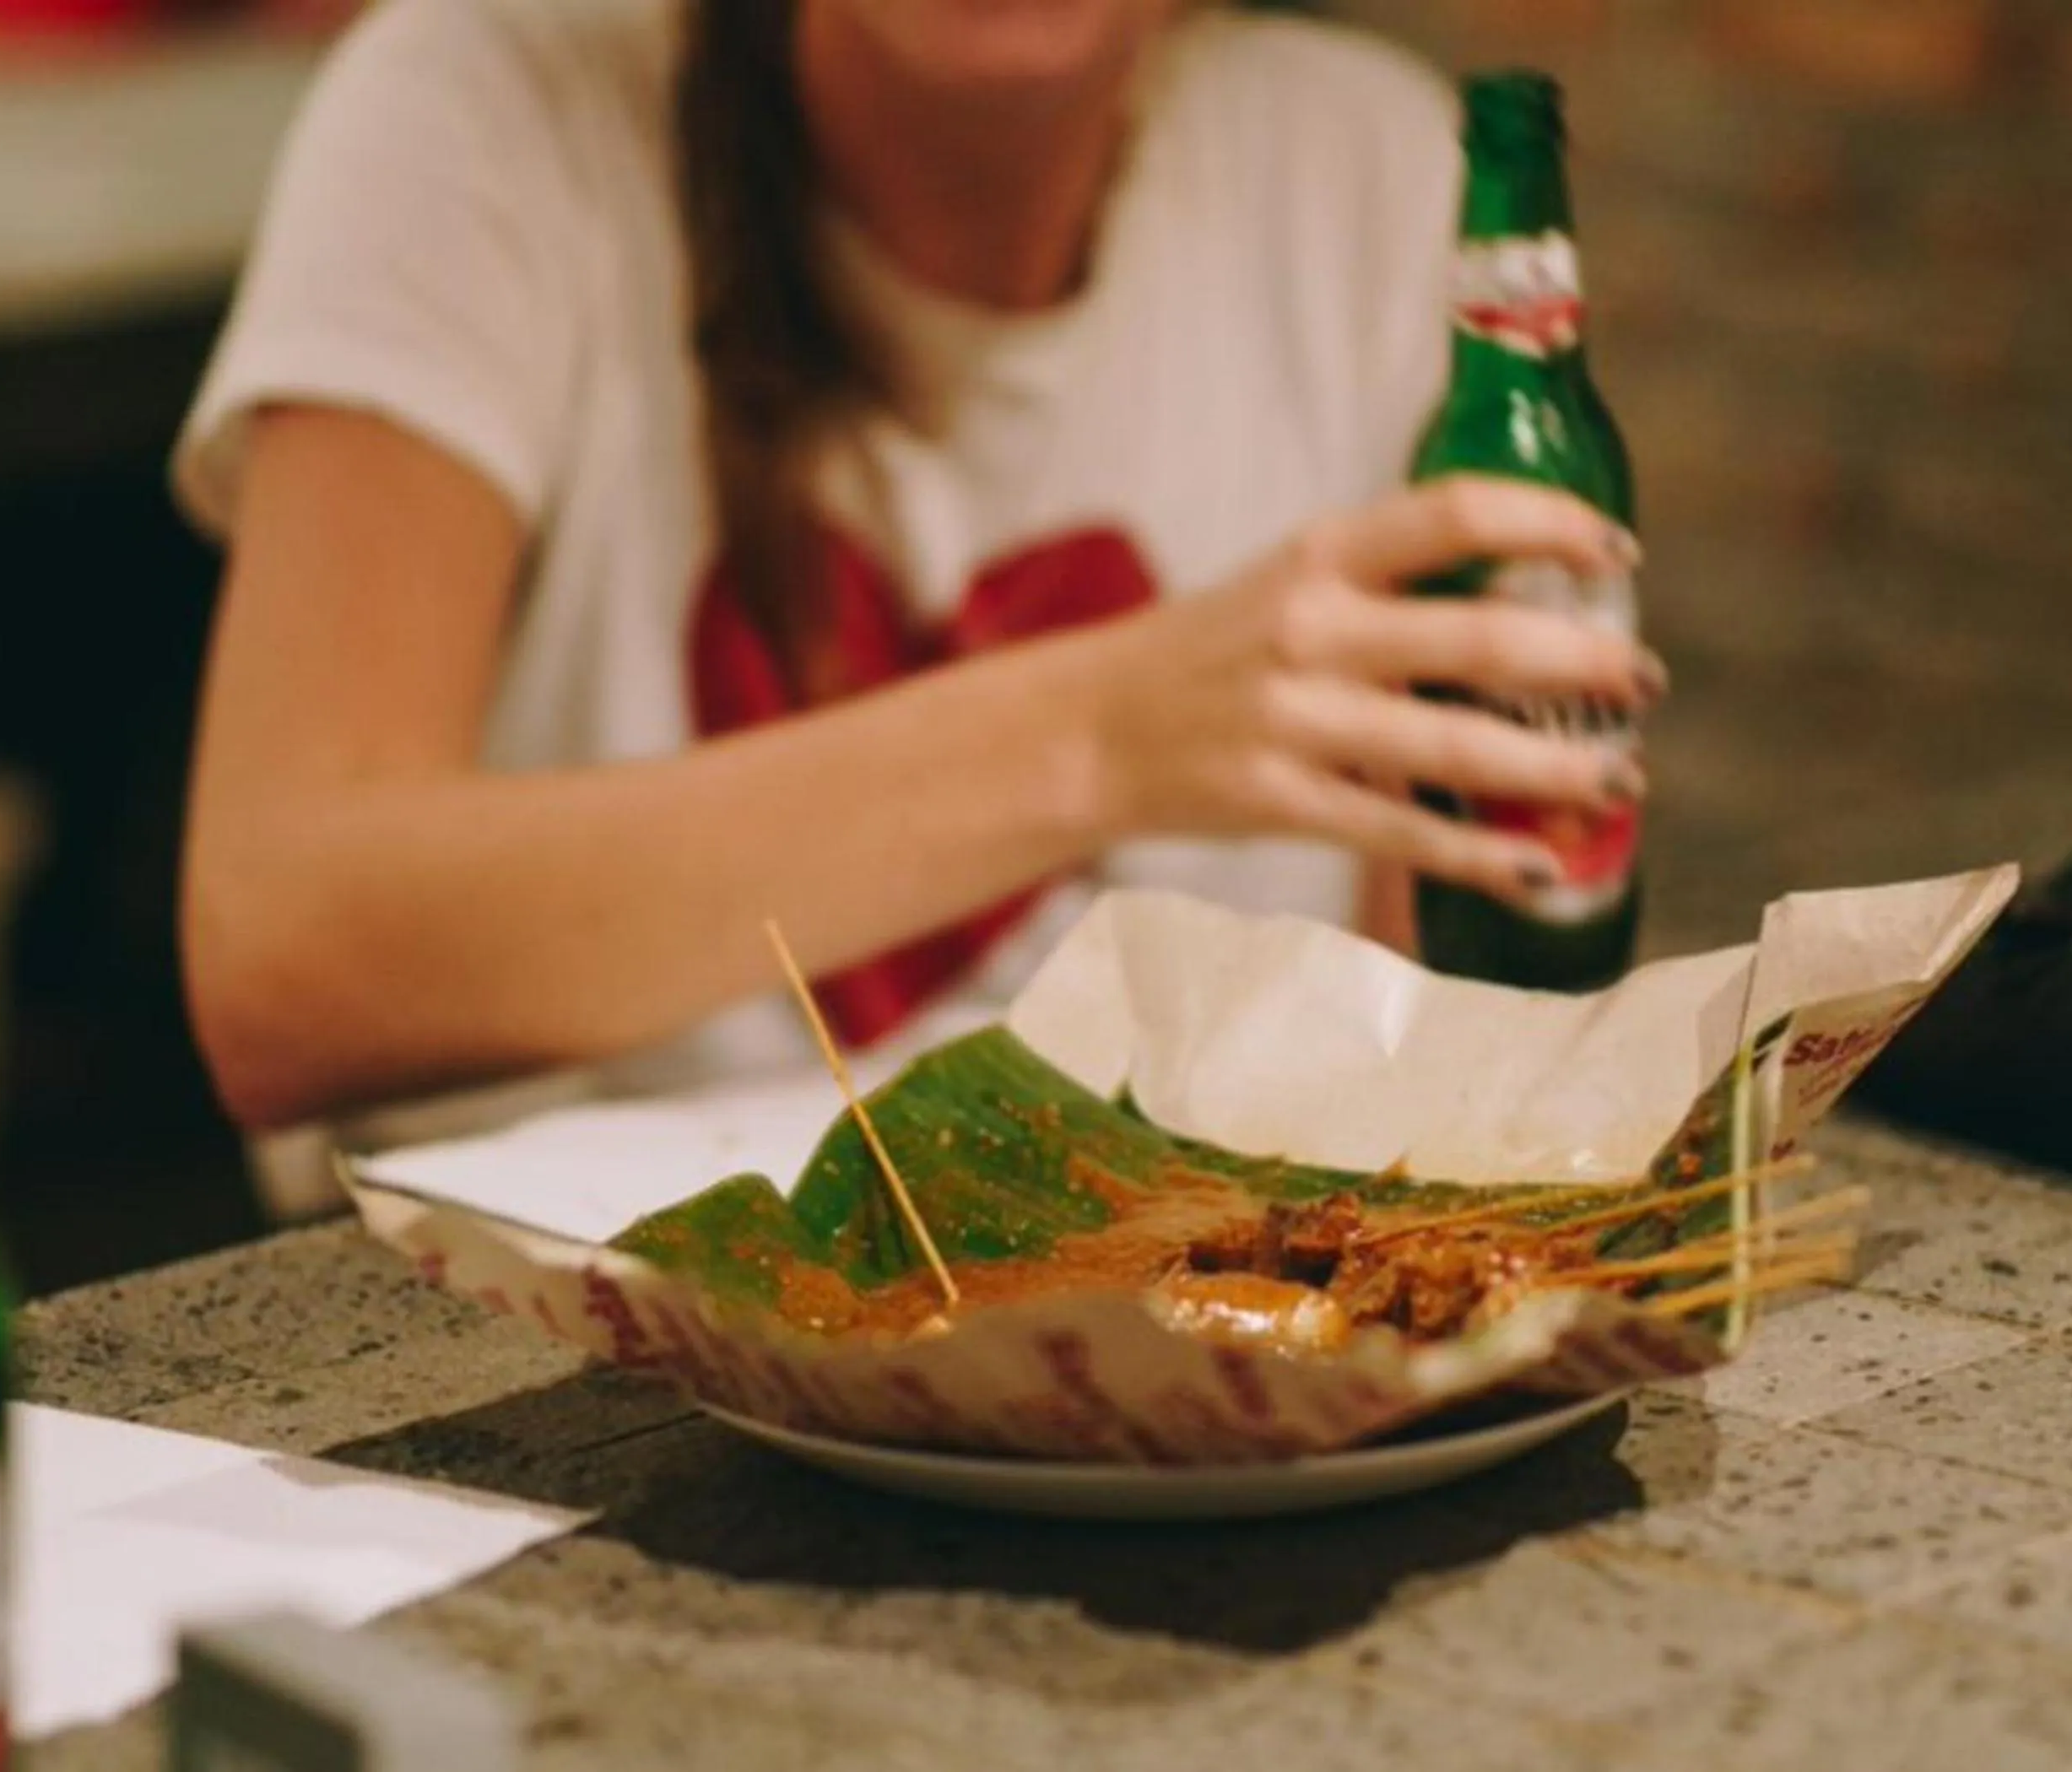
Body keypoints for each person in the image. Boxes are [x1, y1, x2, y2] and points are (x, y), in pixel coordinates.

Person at [173, 0, 1663, 1159]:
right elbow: (286, 958)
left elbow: (1425, 1027)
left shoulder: (1367, 168)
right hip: (551, 1375)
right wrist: (1098, 736)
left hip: (1170, 1343)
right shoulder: (487, 101)